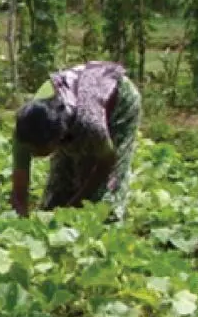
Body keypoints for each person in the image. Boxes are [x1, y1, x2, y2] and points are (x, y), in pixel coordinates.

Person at [10, 61, 141, 221]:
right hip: (72, 105)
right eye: (30, 149)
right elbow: (19, 191)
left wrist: (76, 203)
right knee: (54, 200)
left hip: (119, 98)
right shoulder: (25, 129)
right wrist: (21, 220)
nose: (34, 154)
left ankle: (109, 221)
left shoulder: (89, 124)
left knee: (100, 202)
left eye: (39, 149)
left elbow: (106, 163)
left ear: (57, 139)